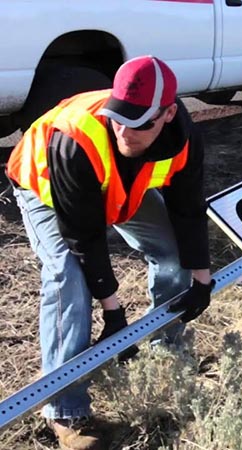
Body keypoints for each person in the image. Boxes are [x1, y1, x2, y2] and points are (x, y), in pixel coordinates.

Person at [6, 55, 213, 450]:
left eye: (140, 123)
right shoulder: (75, 136)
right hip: (45, 188)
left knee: (172, 253)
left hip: (119, 189)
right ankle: (65, 411)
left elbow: (188, 209)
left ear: (168, 114)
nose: (124, 131)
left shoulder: (185, 138)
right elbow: (84, 237)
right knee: (68, 275)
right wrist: (113, 310)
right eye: (119, 117)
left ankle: (165, 350)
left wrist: (201, 278)